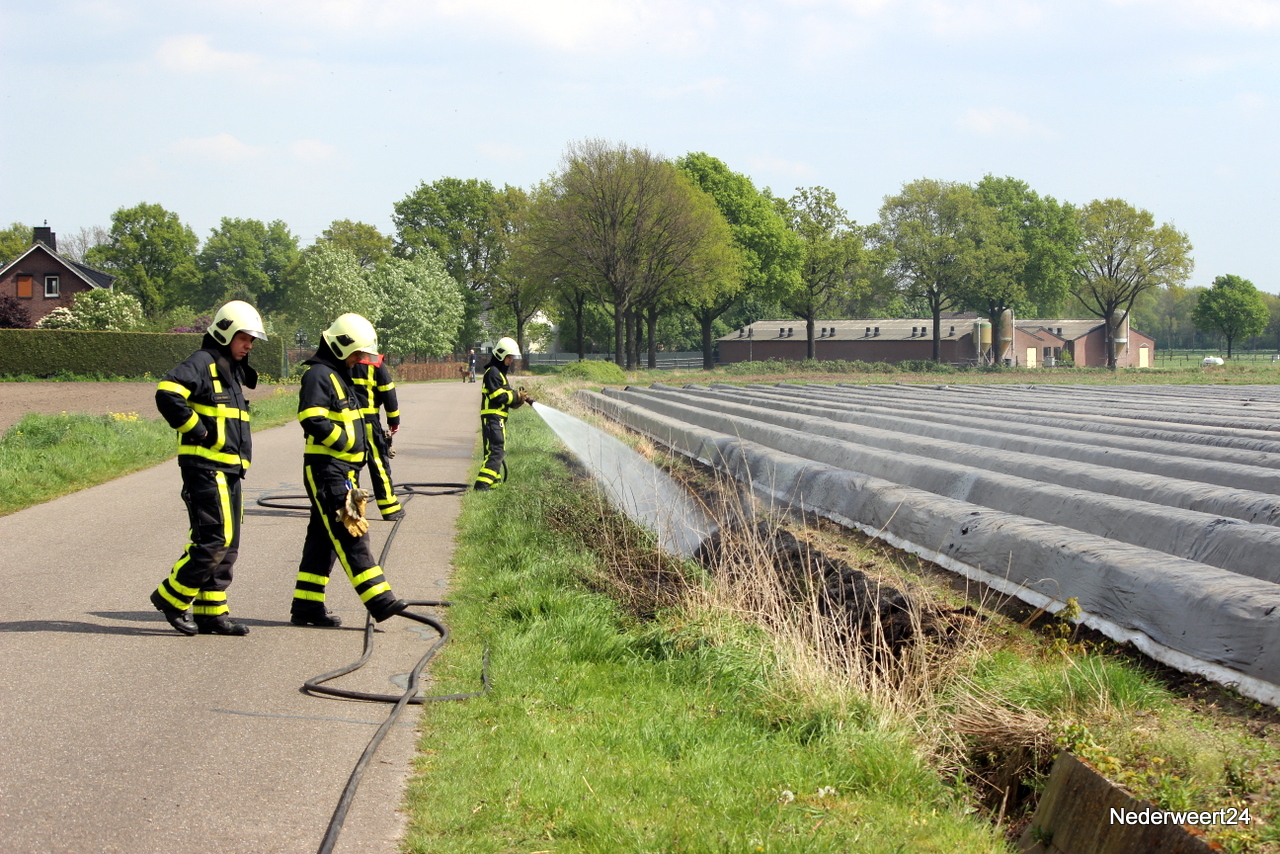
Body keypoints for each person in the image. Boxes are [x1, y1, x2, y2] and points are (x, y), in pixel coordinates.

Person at [150, 300, 265, 636]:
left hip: (228, 469)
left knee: (229, 545)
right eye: (244, 338)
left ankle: (211, 613)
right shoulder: (202, 362)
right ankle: (172, 598)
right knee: (215, 539)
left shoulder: (230, 370)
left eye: (251, 340)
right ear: (226, 333)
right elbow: (167, 393)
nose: (248, 345)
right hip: (205, 467)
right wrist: (197, 430)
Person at [290, 313, 406, 628]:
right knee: (351, 532)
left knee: (322, 540)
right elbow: (311, 417)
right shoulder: (318, 375)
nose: (358, 361)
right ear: (341, 346)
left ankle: (306, 605)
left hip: (344, 472)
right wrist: (344, 443)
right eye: (356, 354)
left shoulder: (337, 375)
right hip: (329, 471)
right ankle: (380, 600)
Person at [473, 337, 532, 491]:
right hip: (492, 419)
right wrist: (516, 396)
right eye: (509, 357)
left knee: (494, 451)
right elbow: (497, 396)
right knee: (496, 450)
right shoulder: (492, 372)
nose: (511, 360)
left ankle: (494, 485)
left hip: (497, 419)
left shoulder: (499, 373)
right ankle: (482, 486)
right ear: (500, 354)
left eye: (512, 357)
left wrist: (517, 401)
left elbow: (505, 395)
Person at [352, 352, 403, 521]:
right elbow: (388, 392)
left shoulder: (339, 359)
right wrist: (393, 421)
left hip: (345, 422)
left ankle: (350, 509)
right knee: (378, 464)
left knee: (348, 466)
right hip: (368, 422)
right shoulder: (373, 361)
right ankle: (390, 508)